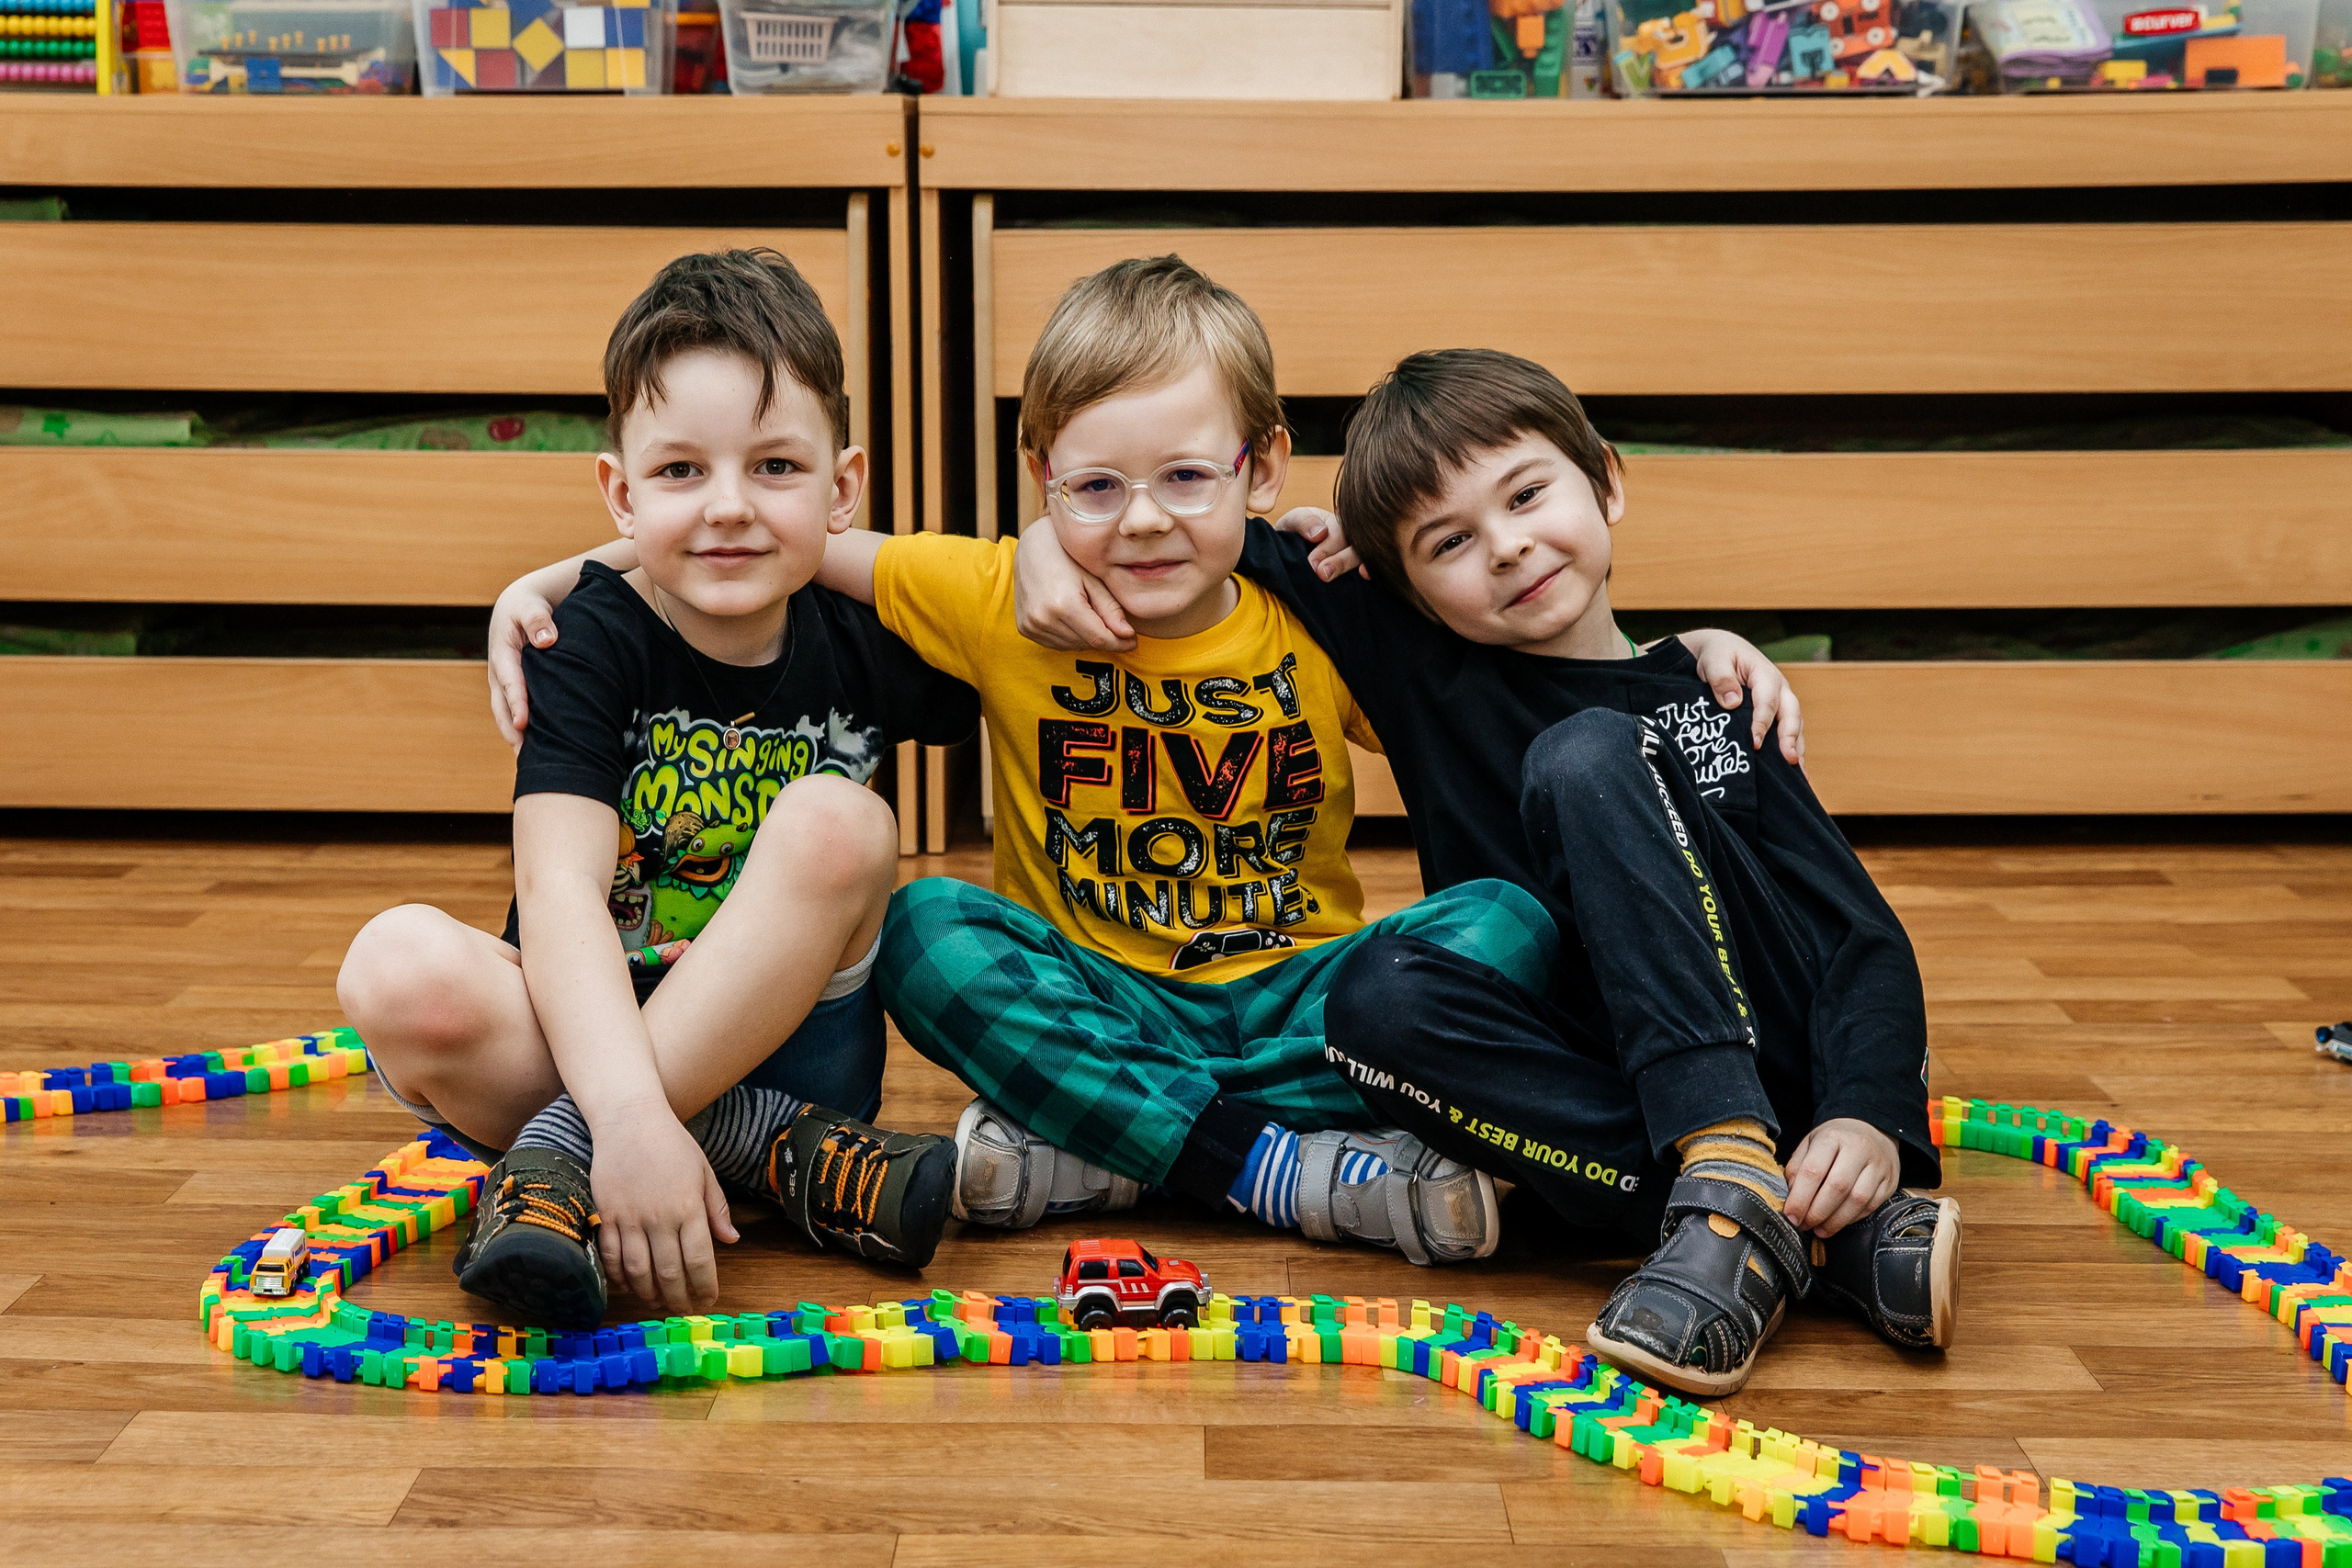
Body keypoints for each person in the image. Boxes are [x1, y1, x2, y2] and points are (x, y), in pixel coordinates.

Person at [489, 257, 1796, 1270]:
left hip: (1308, 1004)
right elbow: (762, 531)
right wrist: (556, 575)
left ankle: (1121, 1152)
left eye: (1186, 475)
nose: (1149, 518)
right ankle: (1287, 1167)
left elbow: (1527, 654)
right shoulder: (1000, 588)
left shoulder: (1324, 601)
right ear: (1042, 477)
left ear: (1264, 463)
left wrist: (1691, 648)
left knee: (1503, 921)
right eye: (1098, 488)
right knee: (930, 924)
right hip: (1106, 997)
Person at [1015, 347, 1954, 1399]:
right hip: (1584, 1095)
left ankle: (1738, 1164)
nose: (1505, 548)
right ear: (1400, 585)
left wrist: (1868, 1114)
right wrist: (1043, 544)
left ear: (1605, 478)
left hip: (1762, 1058)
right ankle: (1816, 1234)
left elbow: (1858, 936)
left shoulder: (1714, 695)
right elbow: (1190, 526)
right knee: (1371, 1002)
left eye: (1527, 494)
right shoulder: (1427, 672)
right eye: (1447, 542)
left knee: (1587, 752)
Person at [337, 249, 978, 1332]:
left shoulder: (876, 632)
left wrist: (1301, 554)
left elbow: (1037, 603)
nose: (729, 508)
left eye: (777, 467)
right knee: (394, 967)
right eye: (680, 473)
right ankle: (766, 1154)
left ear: (845, 487)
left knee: (839, 818)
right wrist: (633, 1109)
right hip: (592, 1031)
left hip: (798, 1046)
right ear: (619, 493)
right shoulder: (588, 636)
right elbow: (557, 894)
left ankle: (564, 1156)